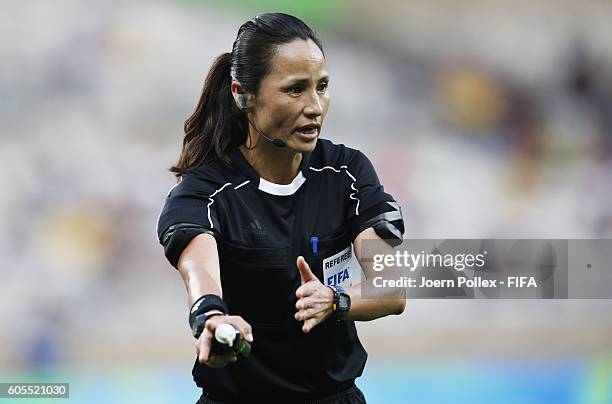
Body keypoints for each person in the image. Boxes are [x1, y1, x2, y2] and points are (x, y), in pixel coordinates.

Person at [156, 12, 406, 404]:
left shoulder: (347, 172)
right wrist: (211, 317)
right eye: (295, 90)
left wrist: (335, 301)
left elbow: (392, 288)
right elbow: (198, 268)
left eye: (322, 87)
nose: (315, 106)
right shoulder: (205, 191)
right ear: (243, 94)